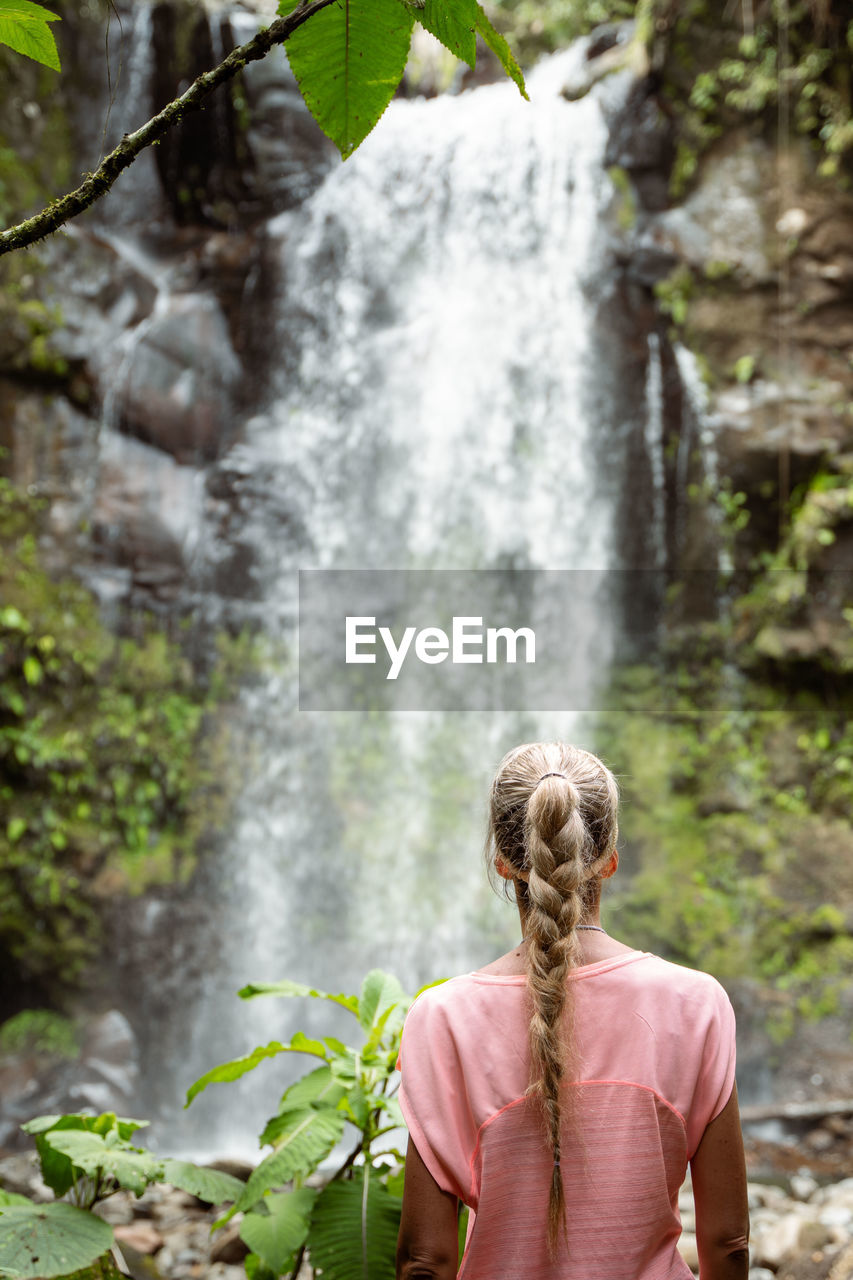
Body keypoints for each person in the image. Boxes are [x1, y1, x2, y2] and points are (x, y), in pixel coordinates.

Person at [395, 741, 750, 1280]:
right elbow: (728, 1243)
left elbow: (425, 1260)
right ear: (608, 860)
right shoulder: (696, 1002)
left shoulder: (441, 1017)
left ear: (505, 863)